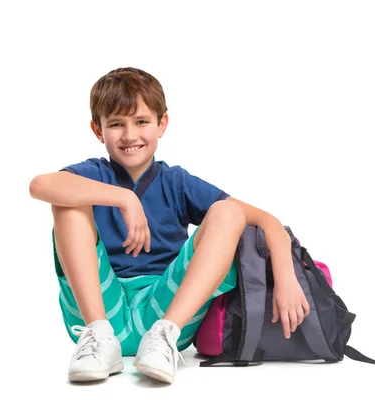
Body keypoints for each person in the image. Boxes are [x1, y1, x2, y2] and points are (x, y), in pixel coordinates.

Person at [29, 67, 310, 384]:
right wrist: (125, 199)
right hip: (101, 312)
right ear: (98, 130)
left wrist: (286, 278)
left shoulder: (177, 182)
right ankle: (98, 336)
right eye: (116, 124)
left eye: (142, 122)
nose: (130, 135)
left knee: (228, 212)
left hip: (165, 314)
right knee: (67, 201)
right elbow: (40, 185)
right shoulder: (94, 173)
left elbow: (267, 221)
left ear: (162, 124)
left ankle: (163, 338)